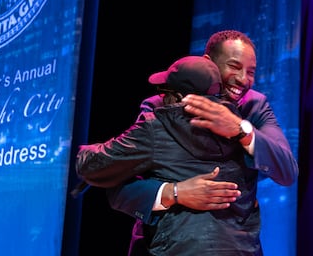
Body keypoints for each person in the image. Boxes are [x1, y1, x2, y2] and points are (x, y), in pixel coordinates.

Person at [104, 29, 299, 255]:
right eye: (235, 67)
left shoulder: (254, 107)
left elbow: (287, 171)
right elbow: (118, 187)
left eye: (251, 72)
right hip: (165, 245)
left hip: (233, 246)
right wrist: (174, 192)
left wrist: (240, 129)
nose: (244, 79)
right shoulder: (160, 106)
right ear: (209, 62)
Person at [76, 55, 263, 254]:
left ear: (180, 97)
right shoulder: (243, 131)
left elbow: (91, 166)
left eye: (165, 92)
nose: (161, 99)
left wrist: (85, 152)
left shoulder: (159, 127)